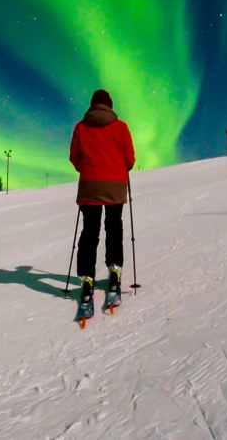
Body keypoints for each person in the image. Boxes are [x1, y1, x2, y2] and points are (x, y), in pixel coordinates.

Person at [69, 89, 136, 308]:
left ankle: (86, 279)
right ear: (110, 106)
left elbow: (74, 157)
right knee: (114, 227)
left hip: (90, 184)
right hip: (115, 184)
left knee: (90, 231)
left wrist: (88, 170)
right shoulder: (121, 127)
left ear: (92, 105)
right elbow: (130, 159)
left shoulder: (81, 127)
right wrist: (118, 168)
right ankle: (114, 271)